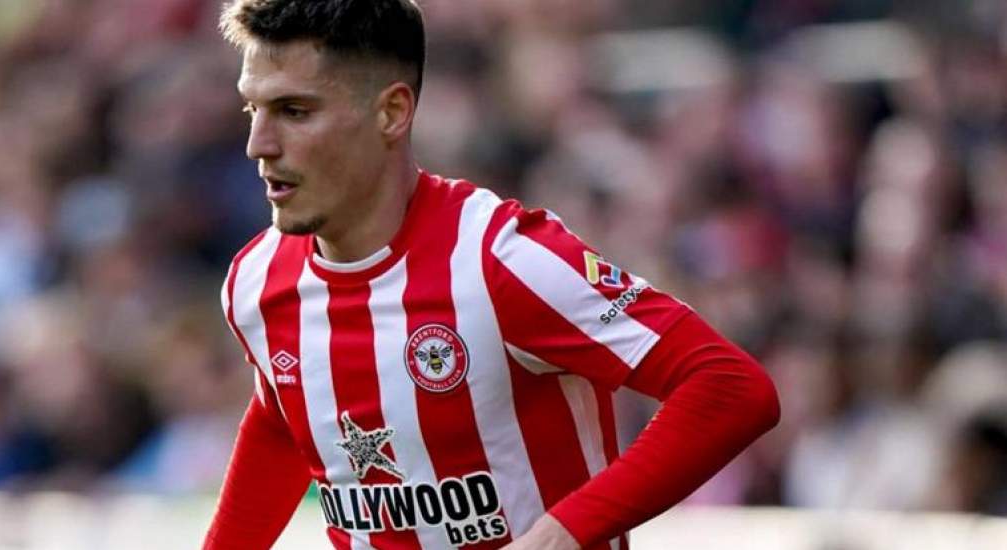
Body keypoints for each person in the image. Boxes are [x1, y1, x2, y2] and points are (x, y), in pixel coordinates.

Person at [203, 1, 780, 549]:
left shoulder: (500, 259)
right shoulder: (257, 281)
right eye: (254, 110)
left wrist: (561, 533)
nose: (259, 144)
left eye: (294, 111)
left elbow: (729, 387)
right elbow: (284, 421)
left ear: (392, 113)